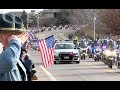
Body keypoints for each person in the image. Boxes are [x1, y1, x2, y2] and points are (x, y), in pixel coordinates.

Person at [0, 13, 28, 81]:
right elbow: (8, 61)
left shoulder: (10, 53)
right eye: (11, 34)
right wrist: (16, 43)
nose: (15, 37)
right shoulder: (9, 56)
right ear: (0, 36)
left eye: (16, 34)